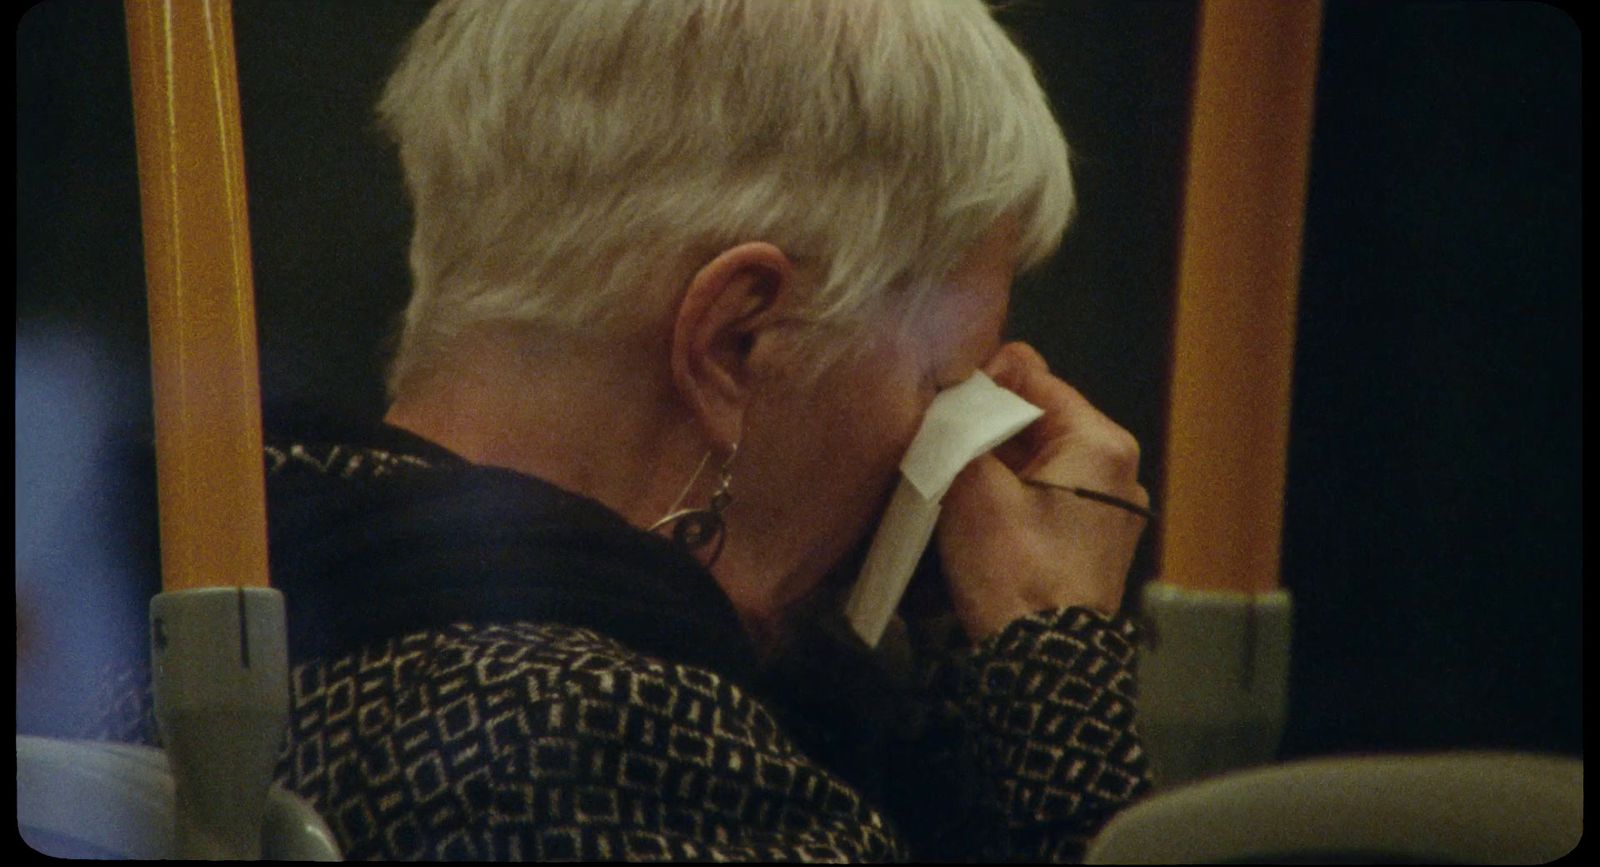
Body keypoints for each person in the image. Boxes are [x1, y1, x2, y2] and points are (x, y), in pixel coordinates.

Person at [96, 0, 1154, 859]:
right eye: (942, 383)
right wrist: (1051, 674)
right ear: (741, 343)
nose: (950, 461)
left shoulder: (179, 630)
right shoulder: (628, 746)